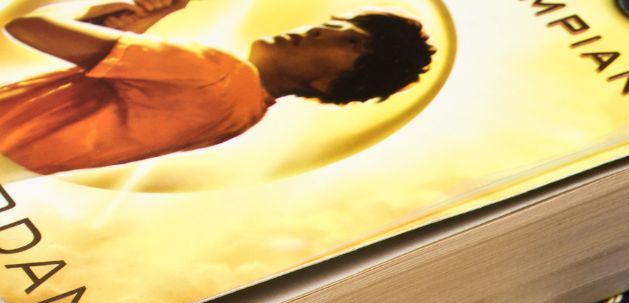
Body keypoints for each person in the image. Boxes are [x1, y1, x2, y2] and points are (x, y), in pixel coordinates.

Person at [0, 0, 432, 174]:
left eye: (350, 42)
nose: (320, 31)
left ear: (332, 82)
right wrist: (134, 25)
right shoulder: (240, 115)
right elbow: (102, 99)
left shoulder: (219, 72)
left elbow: (28, 27)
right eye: (335, 25)